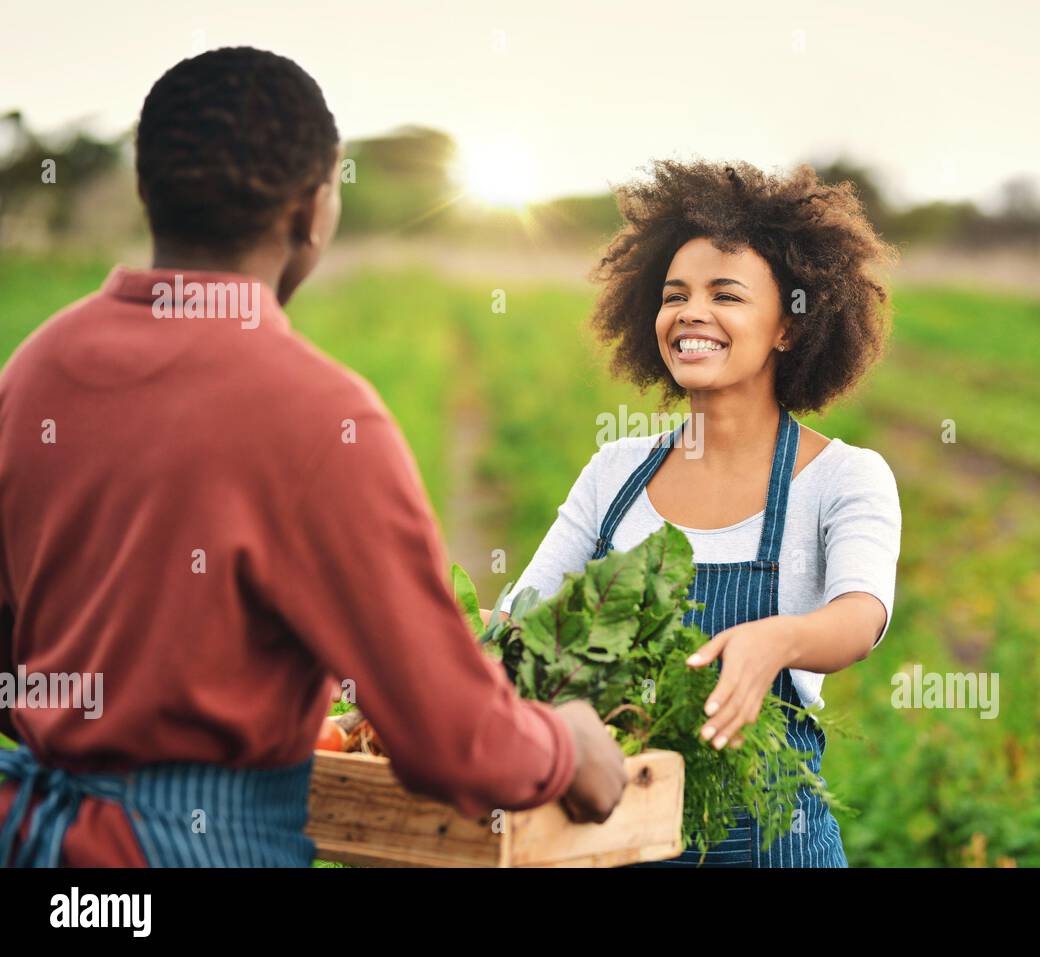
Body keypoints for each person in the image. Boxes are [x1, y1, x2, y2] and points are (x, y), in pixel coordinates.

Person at [0, 47, 626, 868]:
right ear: (313, 208)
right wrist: (566, 745)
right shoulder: (320, 415)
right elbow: (451, 737)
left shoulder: (36, 368)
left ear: (148, 190)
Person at [505, 160, 902, 867]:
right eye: (674, 295)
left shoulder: (843, 477)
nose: (691, 312)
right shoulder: (615, 472)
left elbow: (860, 615)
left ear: (788, 326)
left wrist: (778, 639)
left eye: (726, 294)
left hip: (778, 846)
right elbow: (521, 617)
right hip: (618, 842)